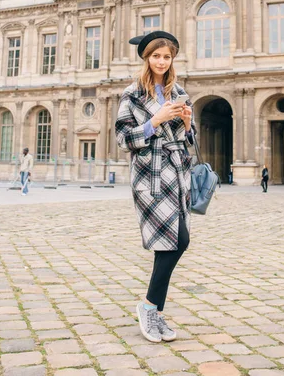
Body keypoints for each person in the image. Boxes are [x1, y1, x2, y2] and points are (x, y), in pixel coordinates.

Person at [115, 30, 196, 344]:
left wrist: (187, 125)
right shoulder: (132, 94)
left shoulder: (179, 92)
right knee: (176, 241)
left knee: (175, 242)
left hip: (177, 174)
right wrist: (155, 121)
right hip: (150, 175)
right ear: (146, 58)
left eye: (167, 56)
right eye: (156, 56)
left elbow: (190, 141)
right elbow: (123, 139)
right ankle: (150, 307)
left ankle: (154, 310)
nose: (162, 61)